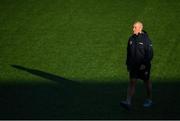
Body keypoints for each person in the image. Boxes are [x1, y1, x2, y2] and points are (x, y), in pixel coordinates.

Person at [120, 21, 153, 110]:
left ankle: (149, 99)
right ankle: (128, 102)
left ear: (140, 28)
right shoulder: (131, 39)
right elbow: (128, 52)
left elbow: (150, 54)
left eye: (135, 27)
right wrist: (128, 64)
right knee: (132, 82)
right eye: (133, 27)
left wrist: (144, 64)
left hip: (143, 66)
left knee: (146, 82)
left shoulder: (146, 40)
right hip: (133, 66)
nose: (133, 29)